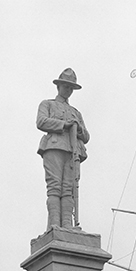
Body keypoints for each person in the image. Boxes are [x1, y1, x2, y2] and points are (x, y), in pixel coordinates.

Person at [36, 68, 89, 230]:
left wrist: (78, 128)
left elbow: (86, 136)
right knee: (54, 187)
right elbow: (41, 122)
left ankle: (67, 224)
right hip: (53, 147)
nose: (68, 90)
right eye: (66, 86)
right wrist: (63, 125)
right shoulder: (48, 104)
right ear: (59, 86)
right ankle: (54, 224)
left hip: (73, 150)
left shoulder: (76, 112)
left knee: (68, 189)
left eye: (71, 88)